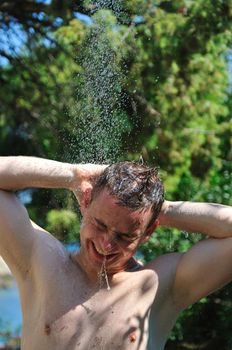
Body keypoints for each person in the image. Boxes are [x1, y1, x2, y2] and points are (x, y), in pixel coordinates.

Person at [0, 156, 231, 350]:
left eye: (125, 236)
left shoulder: (159, 286)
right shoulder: (40, 259)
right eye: (99, 225)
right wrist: (74, 175)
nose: (106, 245)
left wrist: (160, 209)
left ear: (148, 231)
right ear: (86, 201)